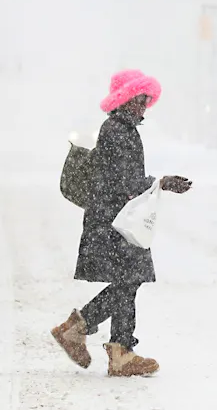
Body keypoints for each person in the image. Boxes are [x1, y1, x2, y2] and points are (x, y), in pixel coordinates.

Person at [51, 69, 192, 377]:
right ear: (125, 99)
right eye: (140, 99)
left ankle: (117, 350)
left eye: (147, 100)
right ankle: (91, 336)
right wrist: (161, 183)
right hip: (113, 220)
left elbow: (124, 181)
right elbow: (124, 182)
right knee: (128, 280)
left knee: (127, 281)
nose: (144, 105)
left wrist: (157, 184)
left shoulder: (123, 129)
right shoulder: (117, 130)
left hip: (116, 217)